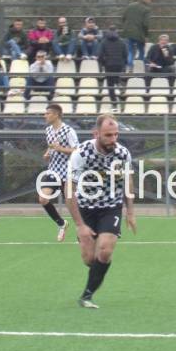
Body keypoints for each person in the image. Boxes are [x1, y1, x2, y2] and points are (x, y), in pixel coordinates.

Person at [66, 114, 137, 308]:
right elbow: (69, 190)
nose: (113, 139)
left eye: (116, 134)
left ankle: (86, 296)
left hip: (111, 206)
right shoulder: (81, 154)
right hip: (85, 208)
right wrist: (80, 225)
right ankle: (96, 273)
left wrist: (130, 212)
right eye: (108, 135)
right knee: (89, 259)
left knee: (105, 251)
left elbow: (128, 181)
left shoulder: (122, 154)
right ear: (96, 134)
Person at [39, 104, 79, 242]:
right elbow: (51, 146)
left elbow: (77, 151)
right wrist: (47, 153)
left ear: (56, 115)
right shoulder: (48, 130)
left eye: (48, 113)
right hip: (53, 171)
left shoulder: (68, 131)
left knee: (73, 205)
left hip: (68, 172)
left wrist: (60, 148)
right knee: (43, 199)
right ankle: (62, 224)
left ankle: (81, 230)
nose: (45, 116)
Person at [122, 0, 152, 71]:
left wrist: (126, 27)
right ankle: (140, 66)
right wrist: (146, 35)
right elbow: (146, 24)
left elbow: (123, 18)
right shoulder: (146, 9)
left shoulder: (130, 6)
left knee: (130, 50)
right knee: (141, 50)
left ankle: (130, 66)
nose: (150, 1)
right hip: (140, 33)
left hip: (128, 32)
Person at [97, 26, 128, 102]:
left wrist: (103, 64)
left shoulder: (104, 42)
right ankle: (118, 83)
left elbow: (100, 55)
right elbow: (126, 54)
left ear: (108, 31)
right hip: (119, 64)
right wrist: (124, 64)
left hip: (109, 64)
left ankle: (114, 102)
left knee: (110, 84)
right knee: (116, 76)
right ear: (116, 31)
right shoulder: (122, 42)